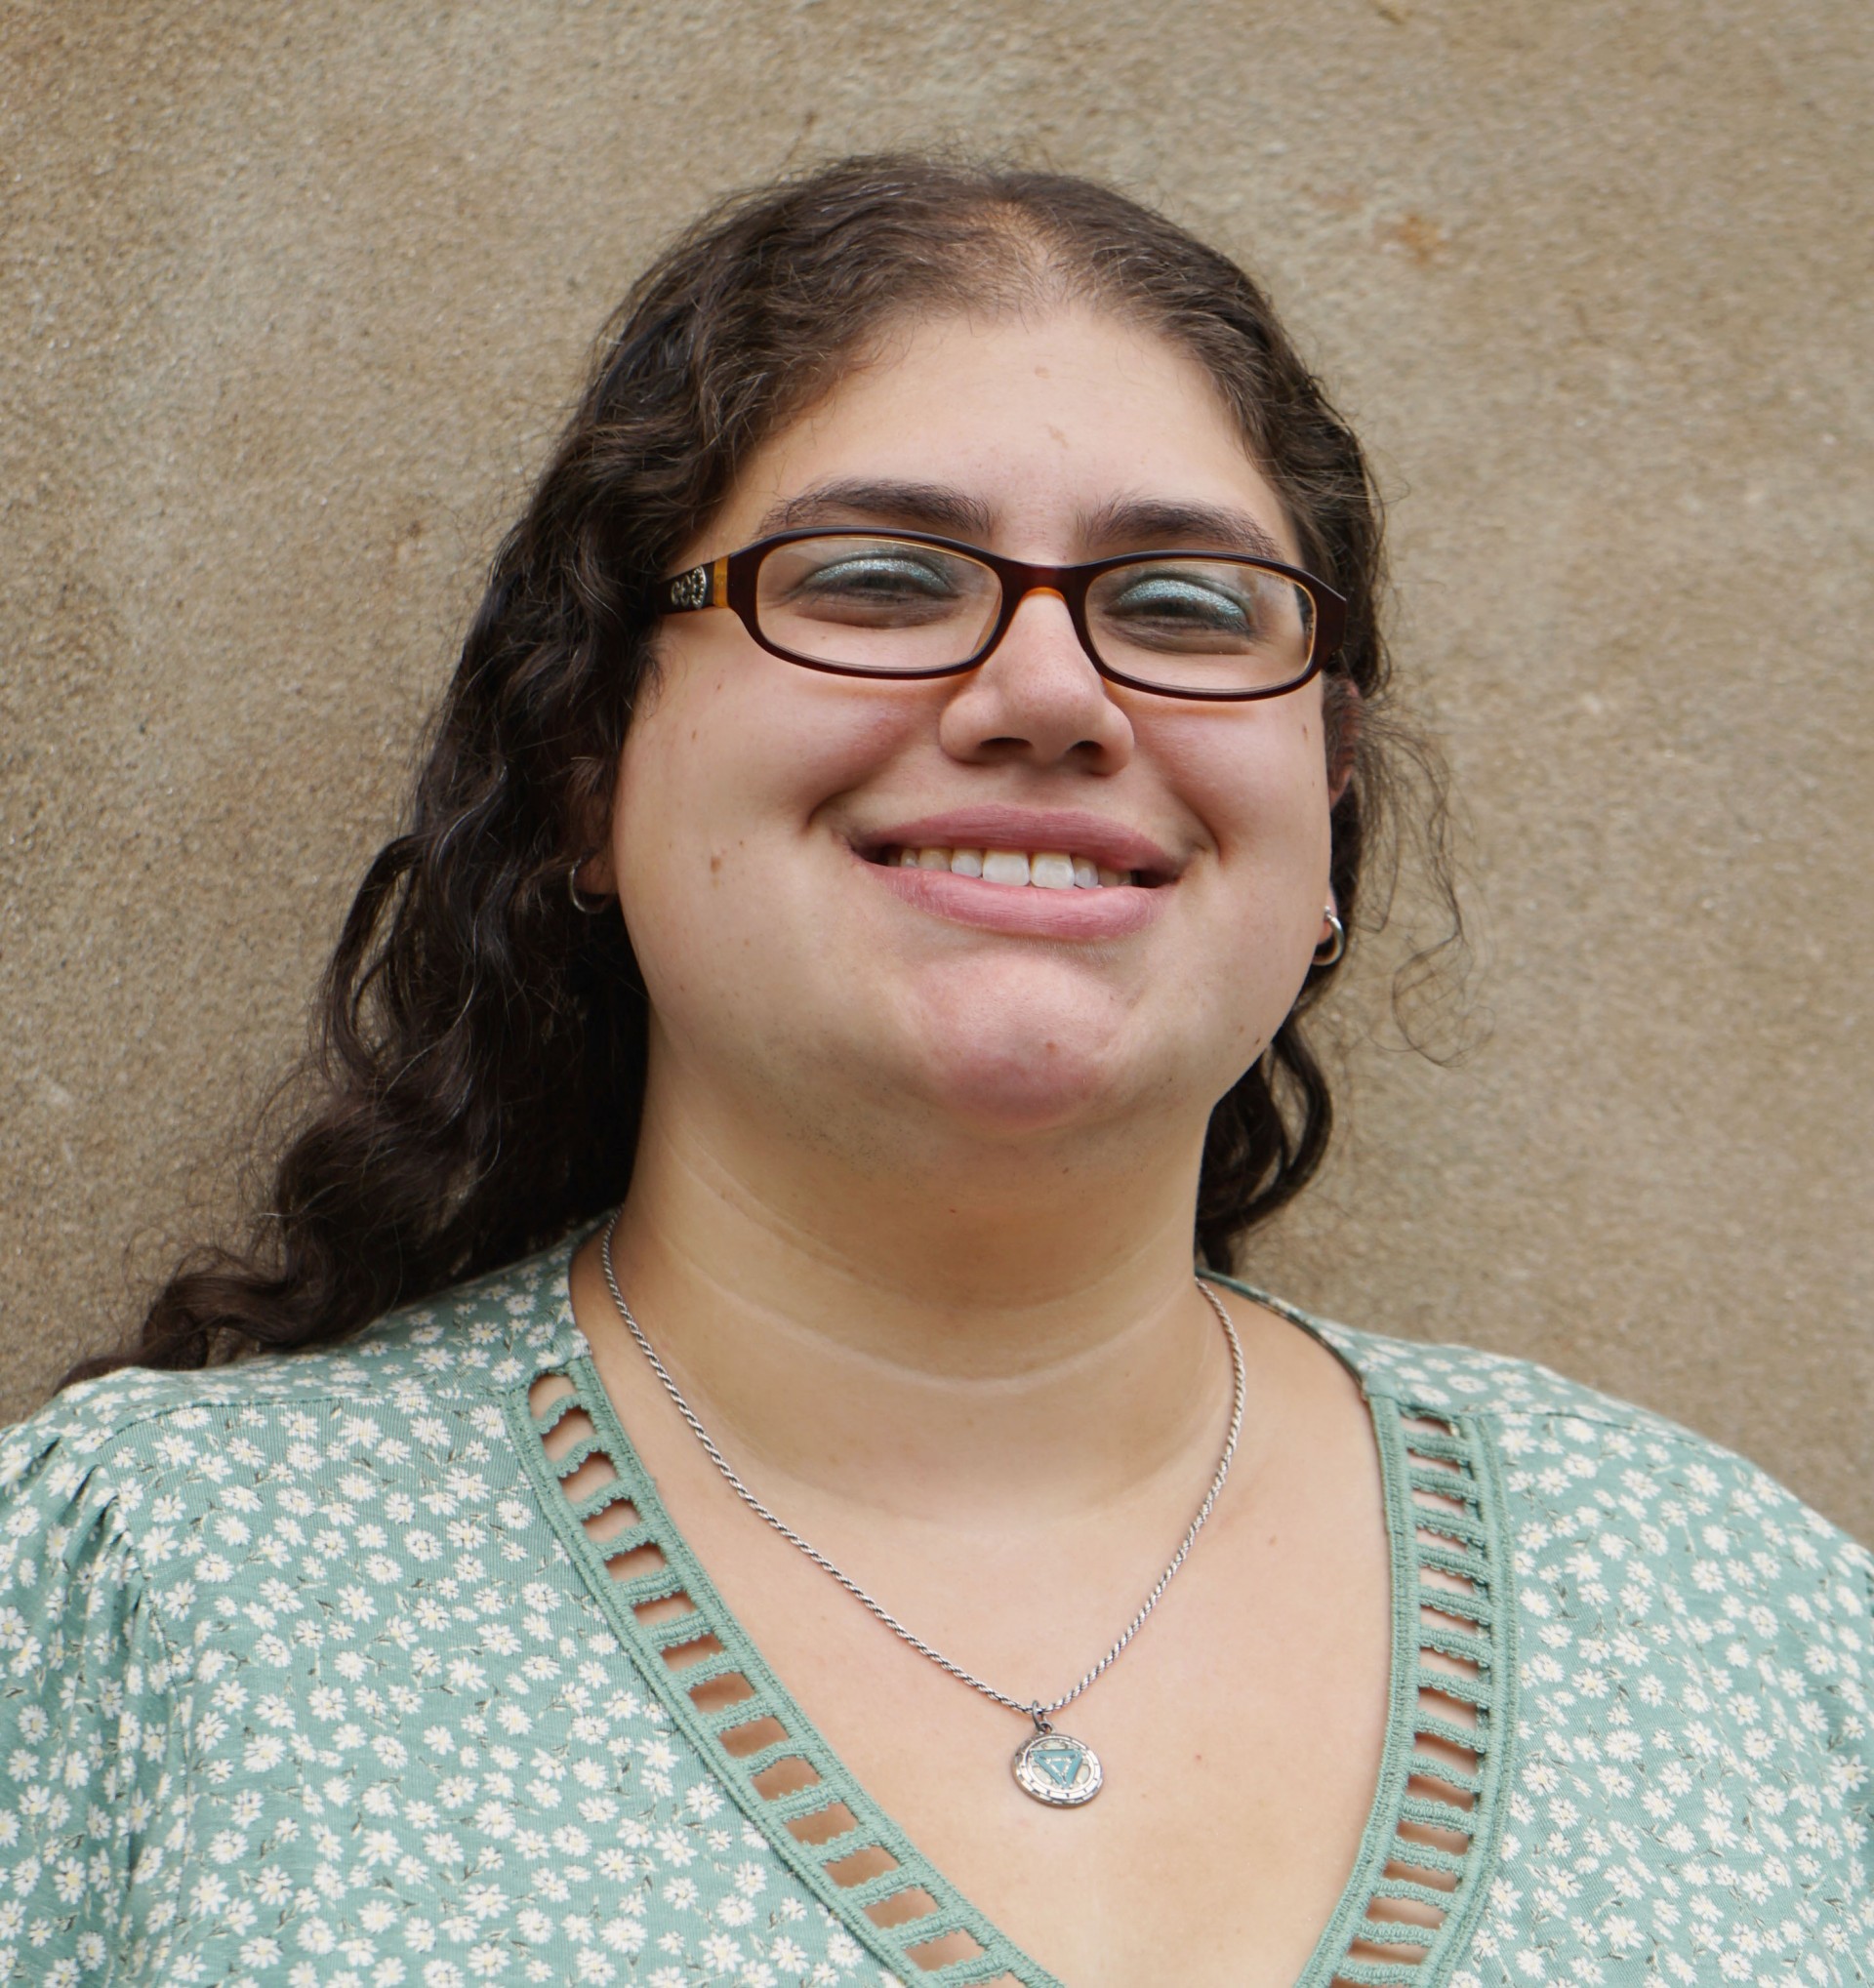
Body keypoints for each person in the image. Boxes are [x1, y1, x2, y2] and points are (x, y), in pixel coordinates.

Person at [2, 155, 1867, 1988]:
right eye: (882, 579)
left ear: (1324, 804)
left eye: (1186, 606)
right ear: (586, 760)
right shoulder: (156, 1593)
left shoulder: (1742, 1621)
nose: (1053, 693)